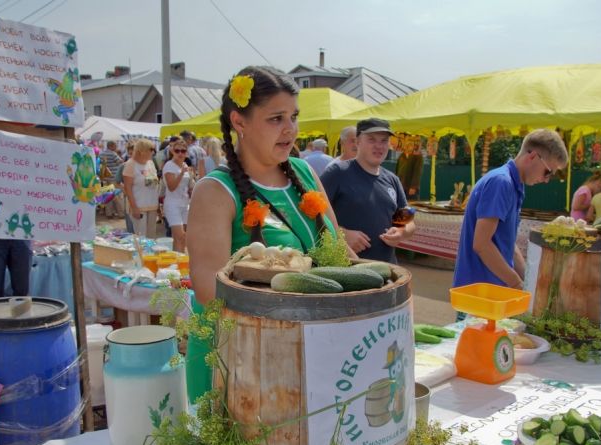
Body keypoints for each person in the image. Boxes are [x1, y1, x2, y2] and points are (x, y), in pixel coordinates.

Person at [187, 65, 344, 304]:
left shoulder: (304, 172)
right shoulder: (215, 191)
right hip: (250, 337)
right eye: (276, 118)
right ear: (239, 123)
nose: (291, 128)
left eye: (293, 117)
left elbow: (341, 250)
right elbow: (209, 293)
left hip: (316, 333)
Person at [453, 129, 568, 290]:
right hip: (477, 294)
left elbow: (507, 244)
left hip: (491, 291)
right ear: (533, 156)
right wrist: (516, 283)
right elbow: (482, 244)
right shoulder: (501, 182)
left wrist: (528, 282)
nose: (546, 180)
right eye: (548, 172)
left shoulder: (515, 185)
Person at [321, 118, 416, 263]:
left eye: (384, 141)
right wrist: (342, 234)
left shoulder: (393, 180)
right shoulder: (337, 173)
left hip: (386, 270)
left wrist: (401, 232)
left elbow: (408, 222)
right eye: (372, 139)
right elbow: (312, 214)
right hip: (345, 271)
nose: (379, 146)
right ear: (358, 141)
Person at [122, 138, 160, 238]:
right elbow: (128, 188)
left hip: (152, 206)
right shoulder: (130, 164)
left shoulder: (150, 163)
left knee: (151, 237)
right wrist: (134, 208)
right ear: (142, 151)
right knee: (141, 237)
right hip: (139, 207)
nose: (153, 152)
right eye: (151, 149)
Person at [161, 138, 192, 252]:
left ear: (186, 153)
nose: (180, 153)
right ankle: (178, 264)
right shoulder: (169, 165)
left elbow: (187, 187)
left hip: (185, 204)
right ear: (172, 151)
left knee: (183, 238)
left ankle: (179, 262)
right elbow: (171, 187)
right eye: (177, 150)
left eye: (183, 151)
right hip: (173, 205)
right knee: (180, 236)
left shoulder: (184, 165)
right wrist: (182, 173)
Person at [100, 141, 125, 219]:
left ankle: (109, 213)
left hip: (105, 178)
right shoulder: (113, 154)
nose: (116, 147)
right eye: (115, 146)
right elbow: (121, 162)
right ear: (111, 146)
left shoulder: (102, 154)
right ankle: (121, 213)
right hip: (113, 178)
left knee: (107, 196)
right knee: (117, 196)